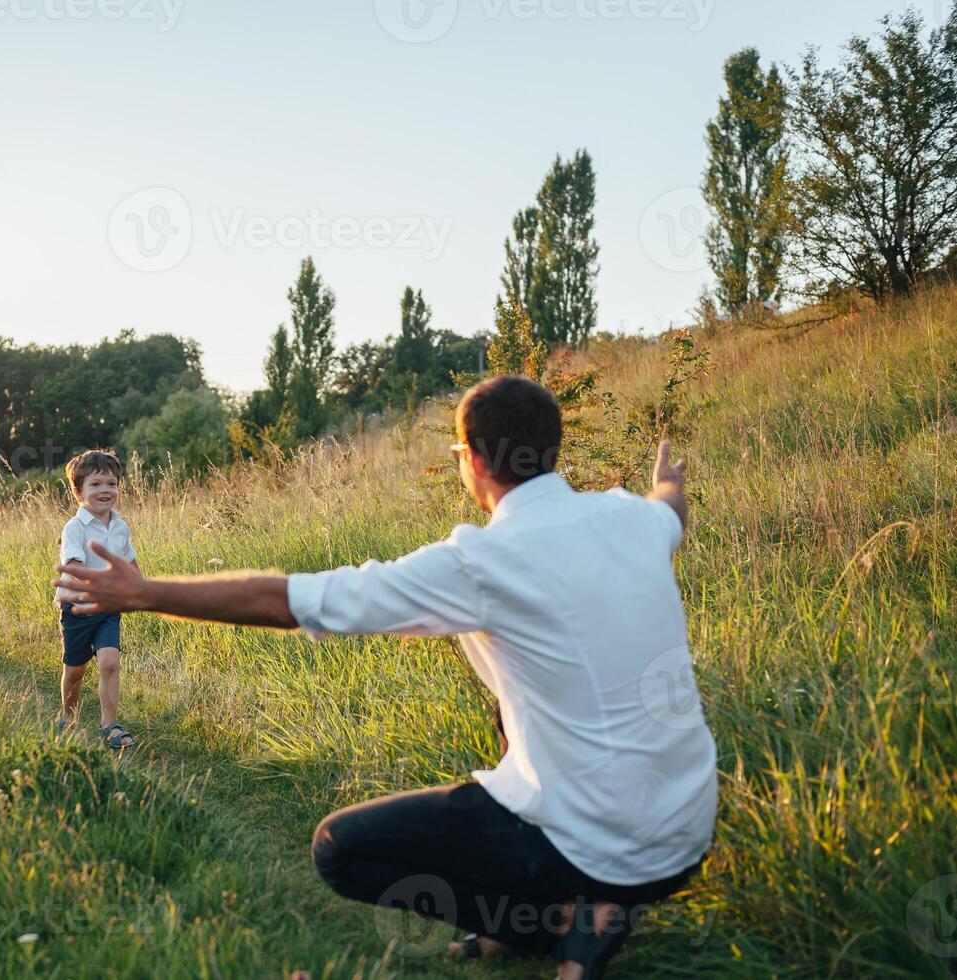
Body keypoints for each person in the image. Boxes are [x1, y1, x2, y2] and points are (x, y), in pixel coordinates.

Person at [54, 376, 718, 979]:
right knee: (507, 702)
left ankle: (559, 922)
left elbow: (284, 601)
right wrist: (666, 483)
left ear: (472, 460)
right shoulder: (632, 515)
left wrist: (143, 592)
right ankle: (541, 922)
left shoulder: (481, 560)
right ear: (551, 449)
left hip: (602, 841)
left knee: (339, 848)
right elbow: (671, 512)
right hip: (687, 828)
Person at [53, 449, 140, 749]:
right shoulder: (74, 528)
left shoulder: (121, 526)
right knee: (75, 670)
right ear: (78, 492)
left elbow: (129, 563)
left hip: (107, 607)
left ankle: (109, 725)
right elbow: (74, 567)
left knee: (110, 662)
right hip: (76, 607)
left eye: (111, 483)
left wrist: (139, 588)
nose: (105, 490)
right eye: (96, 484)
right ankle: (68, 716)